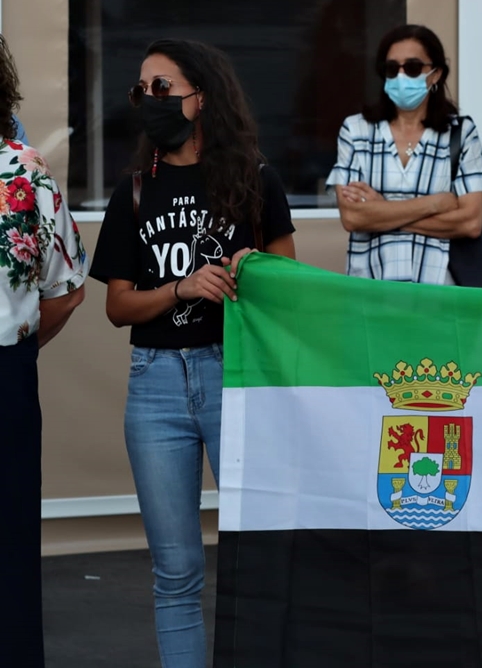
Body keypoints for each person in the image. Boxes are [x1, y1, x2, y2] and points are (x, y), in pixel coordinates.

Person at [88, 39, 296, 668]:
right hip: (154, 384)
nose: (148, 100)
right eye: (140, 89)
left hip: (232, 372)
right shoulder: (133, 192)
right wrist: (180, 286)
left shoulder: (254, 177)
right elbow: (118, 306)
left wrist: (250, 268)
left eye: (162, 87)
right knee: (175, 570)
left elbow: (289, 283)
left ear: (199, 97)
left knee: (259, 556)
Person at [0, 33, 86, 668]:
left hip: (6, 375)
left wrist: (18, 346)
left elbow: (64, 291)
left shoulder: (27, 174)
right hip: (10, 371)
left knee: (8, 545)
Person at [328, 24, 482, 284]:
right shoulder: (356, 130)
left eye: (413, 67)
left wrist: (382, 211)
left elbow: (470, 223)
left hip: (440, 297)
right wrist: (435, 203)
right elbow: (352, 217)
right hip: (371, 295)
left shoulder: (461, 133)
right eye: (391, 68)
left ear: (435, 74)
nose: (401, 76)